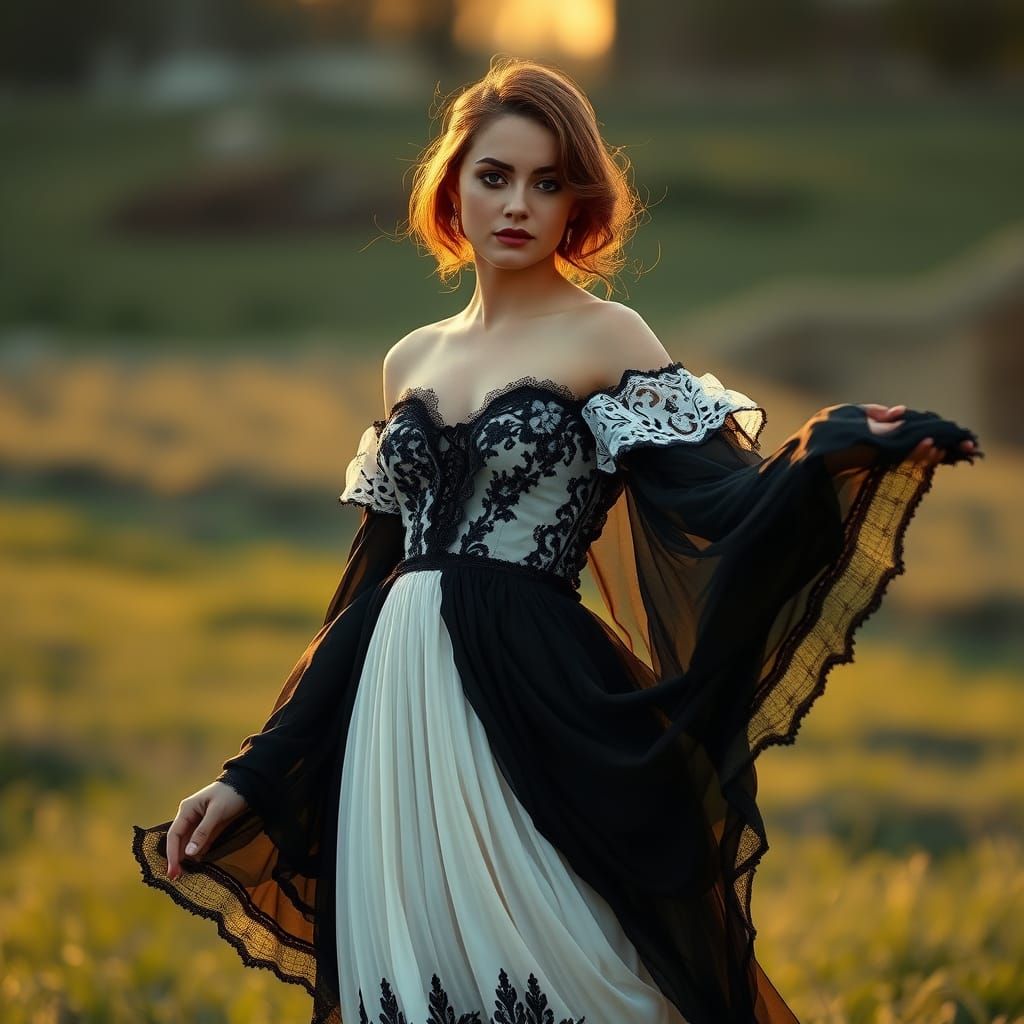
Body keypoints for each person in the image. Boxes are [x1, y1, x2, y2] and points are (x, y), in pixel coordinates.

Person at [131, 56, 982, 1024]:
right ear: (452, 182)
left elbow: (718, 505)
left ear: (579, 202)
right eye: (495, 176)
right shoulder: (409, 357)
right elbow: (370, 583)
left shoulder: (604, 335)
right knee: (409, 987)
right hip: (389, 720)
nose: (518, 204)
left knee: (572, 976)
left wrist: (827, 450)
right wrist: (252, 770)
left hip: (529, 697)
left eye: (548, 182)